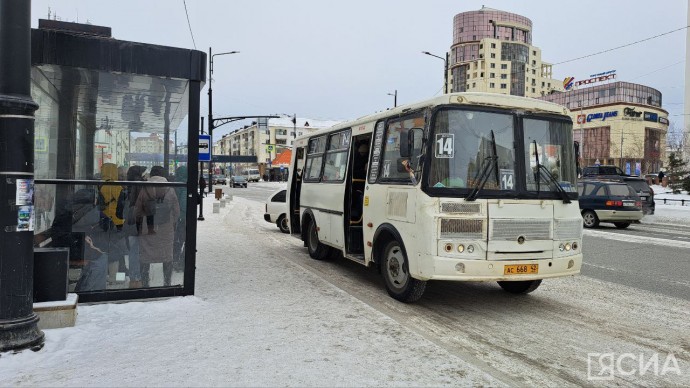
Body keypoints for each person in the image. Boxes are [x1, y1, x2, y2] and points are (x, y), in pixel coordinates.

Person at [136, 166, 180, 287]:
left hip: (148, 227)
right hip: (166, 228)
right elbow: (176, 210)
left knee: (145, 255)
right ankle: (167, 283)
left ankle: (145, 284)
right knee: (167, 255)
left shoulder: (145, 188)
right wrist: (172, 222)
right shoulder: (170, 189)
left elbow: (138, 209)